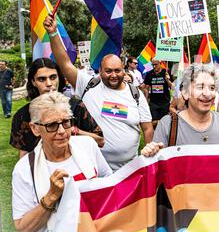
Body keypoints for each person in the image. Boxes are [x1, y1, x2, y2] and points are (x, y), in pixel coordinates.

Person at [44, 15, 154, 171]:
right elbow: (65, 64)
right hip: (92, 167)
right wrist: (53, 33)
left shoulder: (136, 94)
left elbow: (148, 128)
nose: (113, 75)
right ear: (100, 71)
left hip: (129, 168)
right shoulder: (88, 84)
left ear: (124, 69)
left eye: (117, 70)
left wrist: (149, 160)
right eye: (108, 71)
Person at [12, 92, 112, 232]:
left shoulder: (88, 146)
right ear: (35, 129)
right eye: (51, 125)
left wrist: (147, 158)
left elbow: (109, 186)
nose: (62, 131)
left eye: (66, 122)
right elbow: (23, 228)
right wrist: (51, 197)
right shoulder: (24, 169)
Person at [141, 63, 219, 157]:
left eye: (212, 88)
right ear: (185, 93)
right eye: (200, 87)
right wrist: (150, 153)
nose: (207, 94)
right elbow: (156, 169)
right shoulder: (167, 124)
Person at [10, 58, 104, 159]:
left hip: (78, 166)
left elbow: (100, 141)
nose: (49, 83)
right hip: (41, 170)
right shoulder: (23, 115)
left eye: (53, 77)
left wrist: (74, 130)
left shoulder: (76, 107)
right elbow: (23, 154)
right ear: (33, 82)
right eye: (42, 79)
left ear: (59, 78)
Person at [143, 59, 174, 128]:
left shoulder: (166, 72)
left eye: (156, 64)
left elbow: (172, 87)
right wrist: (145, 100)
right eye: (153, 65)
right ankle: (155, 134)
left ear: (160, 63)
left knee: (165, 121)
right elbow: (146, 88)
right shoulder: (149, 74)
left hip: (165, 102)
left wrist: (167, 80)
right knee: (153, 121)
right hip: (154, 102)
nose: (154, 66)